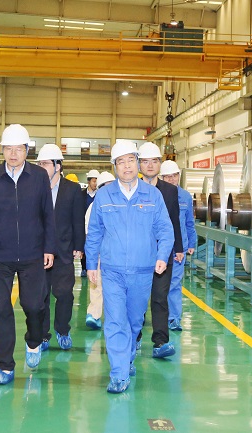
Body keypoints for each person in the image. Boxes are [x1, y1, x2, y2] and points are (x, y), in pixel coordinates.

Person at [85, 139, 174, 394]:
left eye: (131, 160)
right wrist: (91, 264)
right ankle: (119, 373)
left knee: (135, 321)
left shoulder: (152, 195)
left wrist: (162, 255)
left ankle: (128, 355)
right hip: (112, 270)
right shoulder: (104, 195)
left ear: (137, 163)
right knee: (115, 321)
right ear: (114, 166)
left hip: (142, 271)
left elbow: (165, 230)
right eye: (121, 162)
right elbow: (94, 233)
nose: (127, 166)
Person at [0, 124, 56, 385]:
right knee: (0, 311)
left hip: (33, 254)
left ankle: (34, 340)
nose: (13, 154)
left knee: (34, 305)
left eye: (18, 149)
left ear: (26, 150)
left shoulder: (39, 177)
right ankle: (4, 366)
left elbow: (48, 214)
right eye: (8, 149)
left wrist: (49, 248)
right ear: (2, 150)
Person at [36, 144, 85, 351]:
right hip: (38, 253)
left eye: (45, 164)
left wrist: (79, 245)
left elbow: (78, 220)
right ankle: (43, 335)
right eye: (39, 164)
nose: (41, 167)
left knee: (65, 294)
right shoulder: (34, 187)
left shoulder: (72, 189)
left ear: (57, 166)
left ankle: (63, 330)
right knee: (41, 296)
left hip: (64, 251)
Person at [136, 141, 183, 358]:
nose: (150, 165)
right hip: (138, 254)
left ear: (159, 164)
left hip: (163, 253)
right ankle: (135, 337)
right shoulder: (132, 189)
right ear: (139, 165)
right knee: (137, 299)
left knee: (160, 297)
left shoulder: (170, 191)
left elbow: (174, 221)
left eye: (154, 161)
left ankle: (160, 342)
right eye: (145, 161)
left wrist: (178, 247)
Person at [160, 160, 197, 331]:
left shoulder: (185, 197)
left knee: (174, 283)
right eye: (167, 176)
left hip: (178, 248)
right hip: (158, 248)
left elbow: (189, 222)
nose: (171, 179)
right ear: (162, 178)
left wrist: (191, 242)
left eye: (174, 176)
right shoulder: (156, 194)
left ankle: (174, 318)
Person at [84, 171, 115, 330]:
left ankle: (114, 316)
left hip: (117, 253)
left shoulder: (121, 204)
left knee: (115, 286)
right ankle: (94, 315)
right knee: (96, 283)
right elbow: (89, 232)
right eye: (105, 187)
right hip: (99, 252)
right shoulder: (93, 207)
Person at [80, 169, 100, 277]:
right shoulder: (81, 195)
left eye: (97, 181)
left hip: (96, 226)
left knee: (93, 246)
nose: (95, 183)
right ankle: (84, 268)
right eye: (94, 181)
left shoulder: (100, 195)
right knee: (84, 247)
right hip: (83, 225)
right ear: (88, 181)